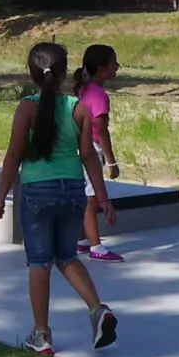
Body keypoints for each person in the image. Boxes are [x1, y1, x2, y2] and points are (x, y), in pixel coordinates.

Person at [0, 41, 118, 357]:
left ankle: (41, 334)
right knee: (67, 257)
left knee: (38, 263)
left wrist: (0, 197)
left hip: (37, 192)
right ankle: (97, 309)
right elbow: (89, 156)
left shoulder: (27, 108)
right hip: (73, 191)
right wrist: (103, 199)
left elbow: (14, 155)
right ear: (64, 73)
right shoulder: (78, 107)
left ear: (32, 74)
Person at [73, 45, 124, 262]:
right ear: (102, 69)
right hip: (92, 148)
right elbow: (101, 129)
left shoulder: (84, 88)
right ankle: (96, 245)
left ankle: (82, 240)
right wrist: (111, 162)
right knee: (91, 198)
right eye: (114, 63)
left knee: (88, 195)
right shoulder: (100, 95)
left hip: (79, 145)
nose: (117, 68)